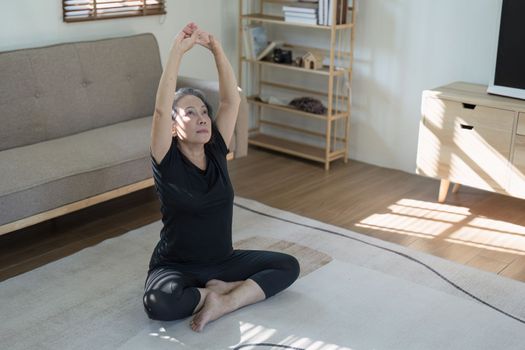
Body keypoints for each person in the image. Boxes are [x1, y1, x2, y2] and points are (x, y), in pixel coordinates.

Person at [143, 23, 300, 333]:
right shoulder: (167, 159)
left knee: (288, 265)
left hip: (223, 261)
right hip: (176, 266)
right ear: (174, 127)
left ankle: (225, 301)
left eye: (203, 111)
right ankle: (215, 291)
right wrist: (178, 50)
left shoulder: (215, 149)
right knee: (157, 303)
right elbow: (161, 110)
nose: (202, 117)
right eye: (189, 113)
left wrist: (216, 48)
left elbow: (231, 101)